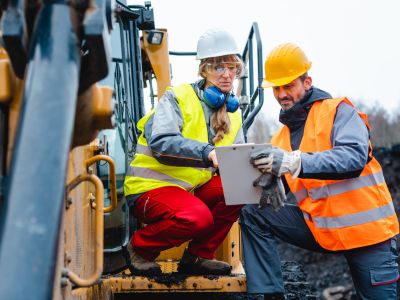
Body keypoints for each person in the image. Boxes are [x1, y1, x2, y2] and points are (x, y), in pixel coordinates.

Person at [240, 42, 399, 299]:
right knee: (253, 213)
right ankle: (270, 294)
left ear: (307, 82)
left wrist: (295, 162)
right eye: (277, 88)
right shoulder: (279, 139)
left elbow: (353, 158)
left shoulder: (339, 111)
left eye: (289, 85)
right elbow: (292, 186)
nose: (282, 94)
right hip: (322, 231)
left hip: (369, 235)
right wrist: (271, 182)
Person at [124, 28, 245, 276]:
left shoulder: (234, 114)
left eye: (231, 67)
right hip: (149, 188)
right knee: (197, 217)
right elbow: (161, 142)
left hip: (187, 192)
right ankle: (139, 248)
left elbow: (238, 162)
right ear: (204, 70)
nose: (226, 74)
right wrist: (207, 152)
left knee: (237, 187)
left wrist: (262, 172)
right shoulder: (177, 98)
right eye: (217, 67)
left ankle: (198, 257)